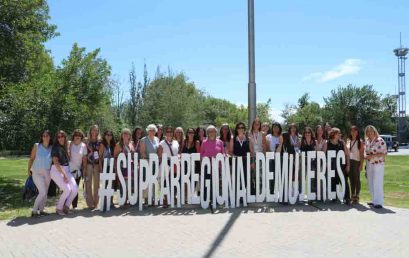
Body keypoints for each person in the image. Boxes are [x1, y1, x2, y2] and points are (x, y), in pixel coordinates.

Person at [50, 130, 78, 215]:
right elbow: (56, 162)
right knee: (67, 190)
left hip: (66, 169)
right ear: (57, 138)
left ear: (65, 137)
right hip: (56, 170)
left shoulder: (66, 146)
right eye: (58, 137)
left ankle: (66, 207)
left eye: (62, 136)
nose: (60, 138)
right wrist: (64, 175)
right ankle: (59, 208)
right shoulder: (55, 147)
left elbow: (81, 140)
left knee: (74, 190)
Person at [28, 130, 52, 217]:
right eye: (44, 136)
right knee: (42, 192)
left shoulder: (51, 148)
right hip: (36, 172)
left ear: (50, 137)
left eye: (47, 135)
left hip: (47, 173)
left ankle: (41, 210)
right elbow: (31, 158)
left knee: (45, 192)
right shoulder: (37, 146)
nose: (45, 137)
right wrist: (28, 170)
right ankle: (34, 211)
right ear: (41, 137)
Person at [200, 125, 225, 208]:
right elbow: (201, 154)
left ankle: (216, 200)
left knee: (216, 184)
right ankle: (206, 201)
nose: (211, 133)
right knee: (206, 184)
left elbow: (223, 153)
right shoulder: (204, 142)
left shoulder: (220, 142)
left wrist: (224, 156)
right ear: (207, 133)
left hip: (217, 167)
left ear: (216, 132)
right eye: (210, 131)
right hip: (207, 166)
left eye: (213, 131)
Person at [364, 125, 387, 209]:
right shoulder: (367, 141)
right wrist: (366, 156)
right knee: (370, 182)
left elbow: (384, 154)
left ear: (374, 131)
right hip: (369, 164)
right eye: (368, 131)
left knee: (377, 182)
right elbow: (365, 151)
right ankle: (374, 200)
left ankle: (379, 202)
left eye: (371, 131)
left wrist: (372, 156)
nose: (369, 133)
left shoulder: (380, 140)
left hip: (378, 164)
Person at [327, 128, 351, 204]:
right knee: (333, 181)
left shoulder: (342, 142)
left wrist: (348, 165)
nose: (340, 135)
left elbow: (347, 154)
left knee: (344, 181)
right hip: (331, 166)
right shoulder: (327, 143)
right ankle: (334, 197)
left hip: (341, 166)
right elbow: (324, 154)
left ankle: (347, 198)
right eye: (338, 133)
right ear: (333, 134)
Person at [229, 122, 253, 195]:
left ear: (244, 129)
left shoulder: (248, 139)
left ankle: (246, 195)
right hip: (236, 162)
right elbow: (230, 151)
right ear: (236, 129)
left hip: (246, 162)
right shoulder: (233, 139)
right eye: (239, 128)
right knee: (237, 178)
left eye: (242, 127)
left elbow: (252, 152)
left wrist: (252, 162)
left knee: (246, 178)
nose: (240, 129)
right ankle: (238, 196)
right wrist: (235, 156)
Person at [114, 128, 135, 208]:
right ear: (122, 135)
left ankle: (127, 200)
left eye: (127, 134)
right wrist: (116, 169)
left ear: (129, 136)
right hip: (122, 167)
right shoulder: (118, 144)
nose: (126, 135)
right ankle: (122, 202)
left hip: (131, 167)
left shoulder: (131, 144)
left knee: (129, 184)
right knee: (123, 184)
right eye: (124, 134)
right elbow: (115, 156)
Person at [139, 124, 160, 204]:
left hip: (155, 163)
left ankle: (154, 197)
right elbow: (142, 152)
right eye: (150, 130)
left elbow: (158, 151)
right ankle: (147, 198)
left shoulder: (157, 139)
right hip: (147, 163)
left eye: (153, 130)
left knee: (154, 181)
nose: (152, 132)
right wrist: (148, 161)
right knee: (147, 181)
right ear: (147, 131)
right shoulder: (143, 140)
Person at [68, 129, 87, 210]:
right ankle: (66, 205)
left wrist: (84, 170)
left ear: (81, 137)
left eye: (79, 135)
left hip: (77, 171)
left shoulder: (83, 146)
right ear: (73, 136)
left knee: (75, 188)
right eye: (76, 135)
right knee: (68, 189)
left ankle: (74, 206)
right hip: (68, 170)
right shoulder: (69, 143)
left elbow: (84, 159)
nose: (77, 137)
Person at [99, 130, 116, 211]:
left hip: (112, 166)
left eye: (110, 135)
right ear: (104, 135)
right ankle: (105, 202)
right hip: (105, 167)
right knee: (105, 185)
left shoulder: (113, 145)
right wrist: (101, 168)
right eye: (107, 134)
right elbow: (100, 157)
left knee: (111, 185)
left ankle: (111, 202)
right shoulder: (102, 145)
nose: (108, 136)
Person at [85, 125, 101, 209]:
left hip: (97, 164)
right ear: (90, 131)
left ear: (98, 131)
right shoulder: (86, 141)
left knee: (97, 184)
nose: (94, 132)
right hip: (88, 164)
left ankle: (96, 203)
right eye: (93, 130)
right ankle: (89, 203)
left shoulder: (100, 141)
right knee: (88, 184)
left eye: (96, 130)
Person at [347, 126, 365, 204]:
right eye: (352, 131)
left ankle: (357, 195)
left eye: (355, 131)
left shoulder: (360, 141)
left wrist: (361, 164)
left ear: (357, 132)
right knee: (351, 179)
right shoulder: (348, 141)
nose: (353, 132)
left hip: (356, 162)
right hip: (349, 162)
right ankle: (352, 195)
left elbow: (361, 154)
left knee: (357, 179)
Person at [300, 127, 317, 199]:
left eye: (308, 132)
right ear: (304, 134)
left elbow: (316, 150)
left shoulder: (314, 141)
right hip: (304, 162)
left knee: (312, 179)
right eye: (306, 133)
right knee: (302, 178)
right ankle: (301, 194)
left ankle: (312, 195)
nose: (307, 134)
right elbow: (299, 150)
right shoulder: (302, 141)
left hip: (312, 162)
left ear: (311, 133)